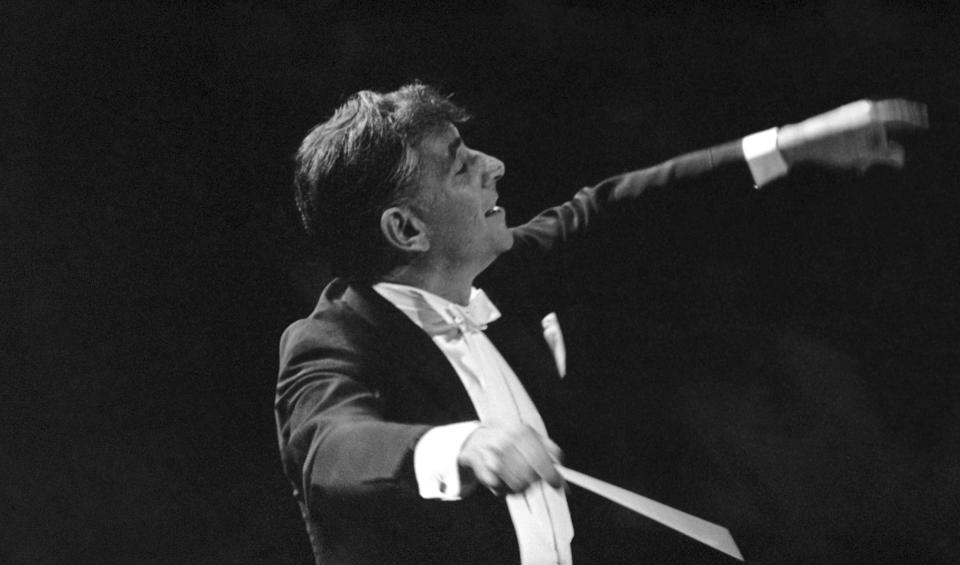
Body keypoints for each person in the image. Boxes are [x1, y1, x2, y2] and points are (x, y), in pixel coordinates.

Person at [275, 83, 926, 565]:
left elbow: (625, 209)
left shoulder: (500, 276)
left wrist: (790, 145)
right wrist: (456, 447)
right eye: (460, 162)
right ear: (406, 228)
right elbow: (332, 446)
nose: (493, 165)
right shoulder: (332, 340)